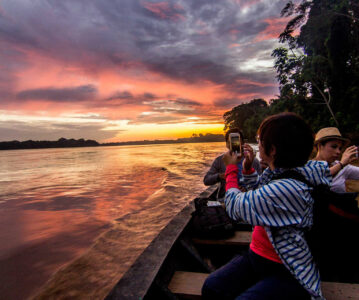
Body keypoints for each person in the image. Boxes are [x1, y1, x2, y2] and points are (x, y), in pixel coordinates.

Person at [202, 113, 331, 300]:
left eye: (259, 141)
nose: (258, 145)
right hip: (258, 255)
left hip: (287, 267)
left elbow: (234, 207)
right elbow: (261, 192)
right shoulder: (287, 172)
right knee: (212, 287)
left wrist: (231, 170)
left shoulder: (287, 188)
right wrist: (247, 170)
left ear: (272, 150)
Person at [203, 128, 261, 200]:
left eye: (236, 141)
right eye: (229, 142)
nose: (233, 145)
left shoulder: (252, 161)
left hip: (247, 199)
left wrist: (247, 190)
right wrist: (220, 176)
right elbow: (206, 180)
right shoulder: (220, 160)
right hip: (224, 199)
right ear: (226, 144)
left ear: (242, 142)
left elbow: (260, 184)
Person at [314, 127, 359, 193]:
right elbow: (322, 175)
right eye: (334, 147)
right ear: (320, 146)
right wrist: (341, 164)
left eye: (340, 148)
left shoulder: (341, 166)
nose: (338, 152)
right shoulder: (308, 167)